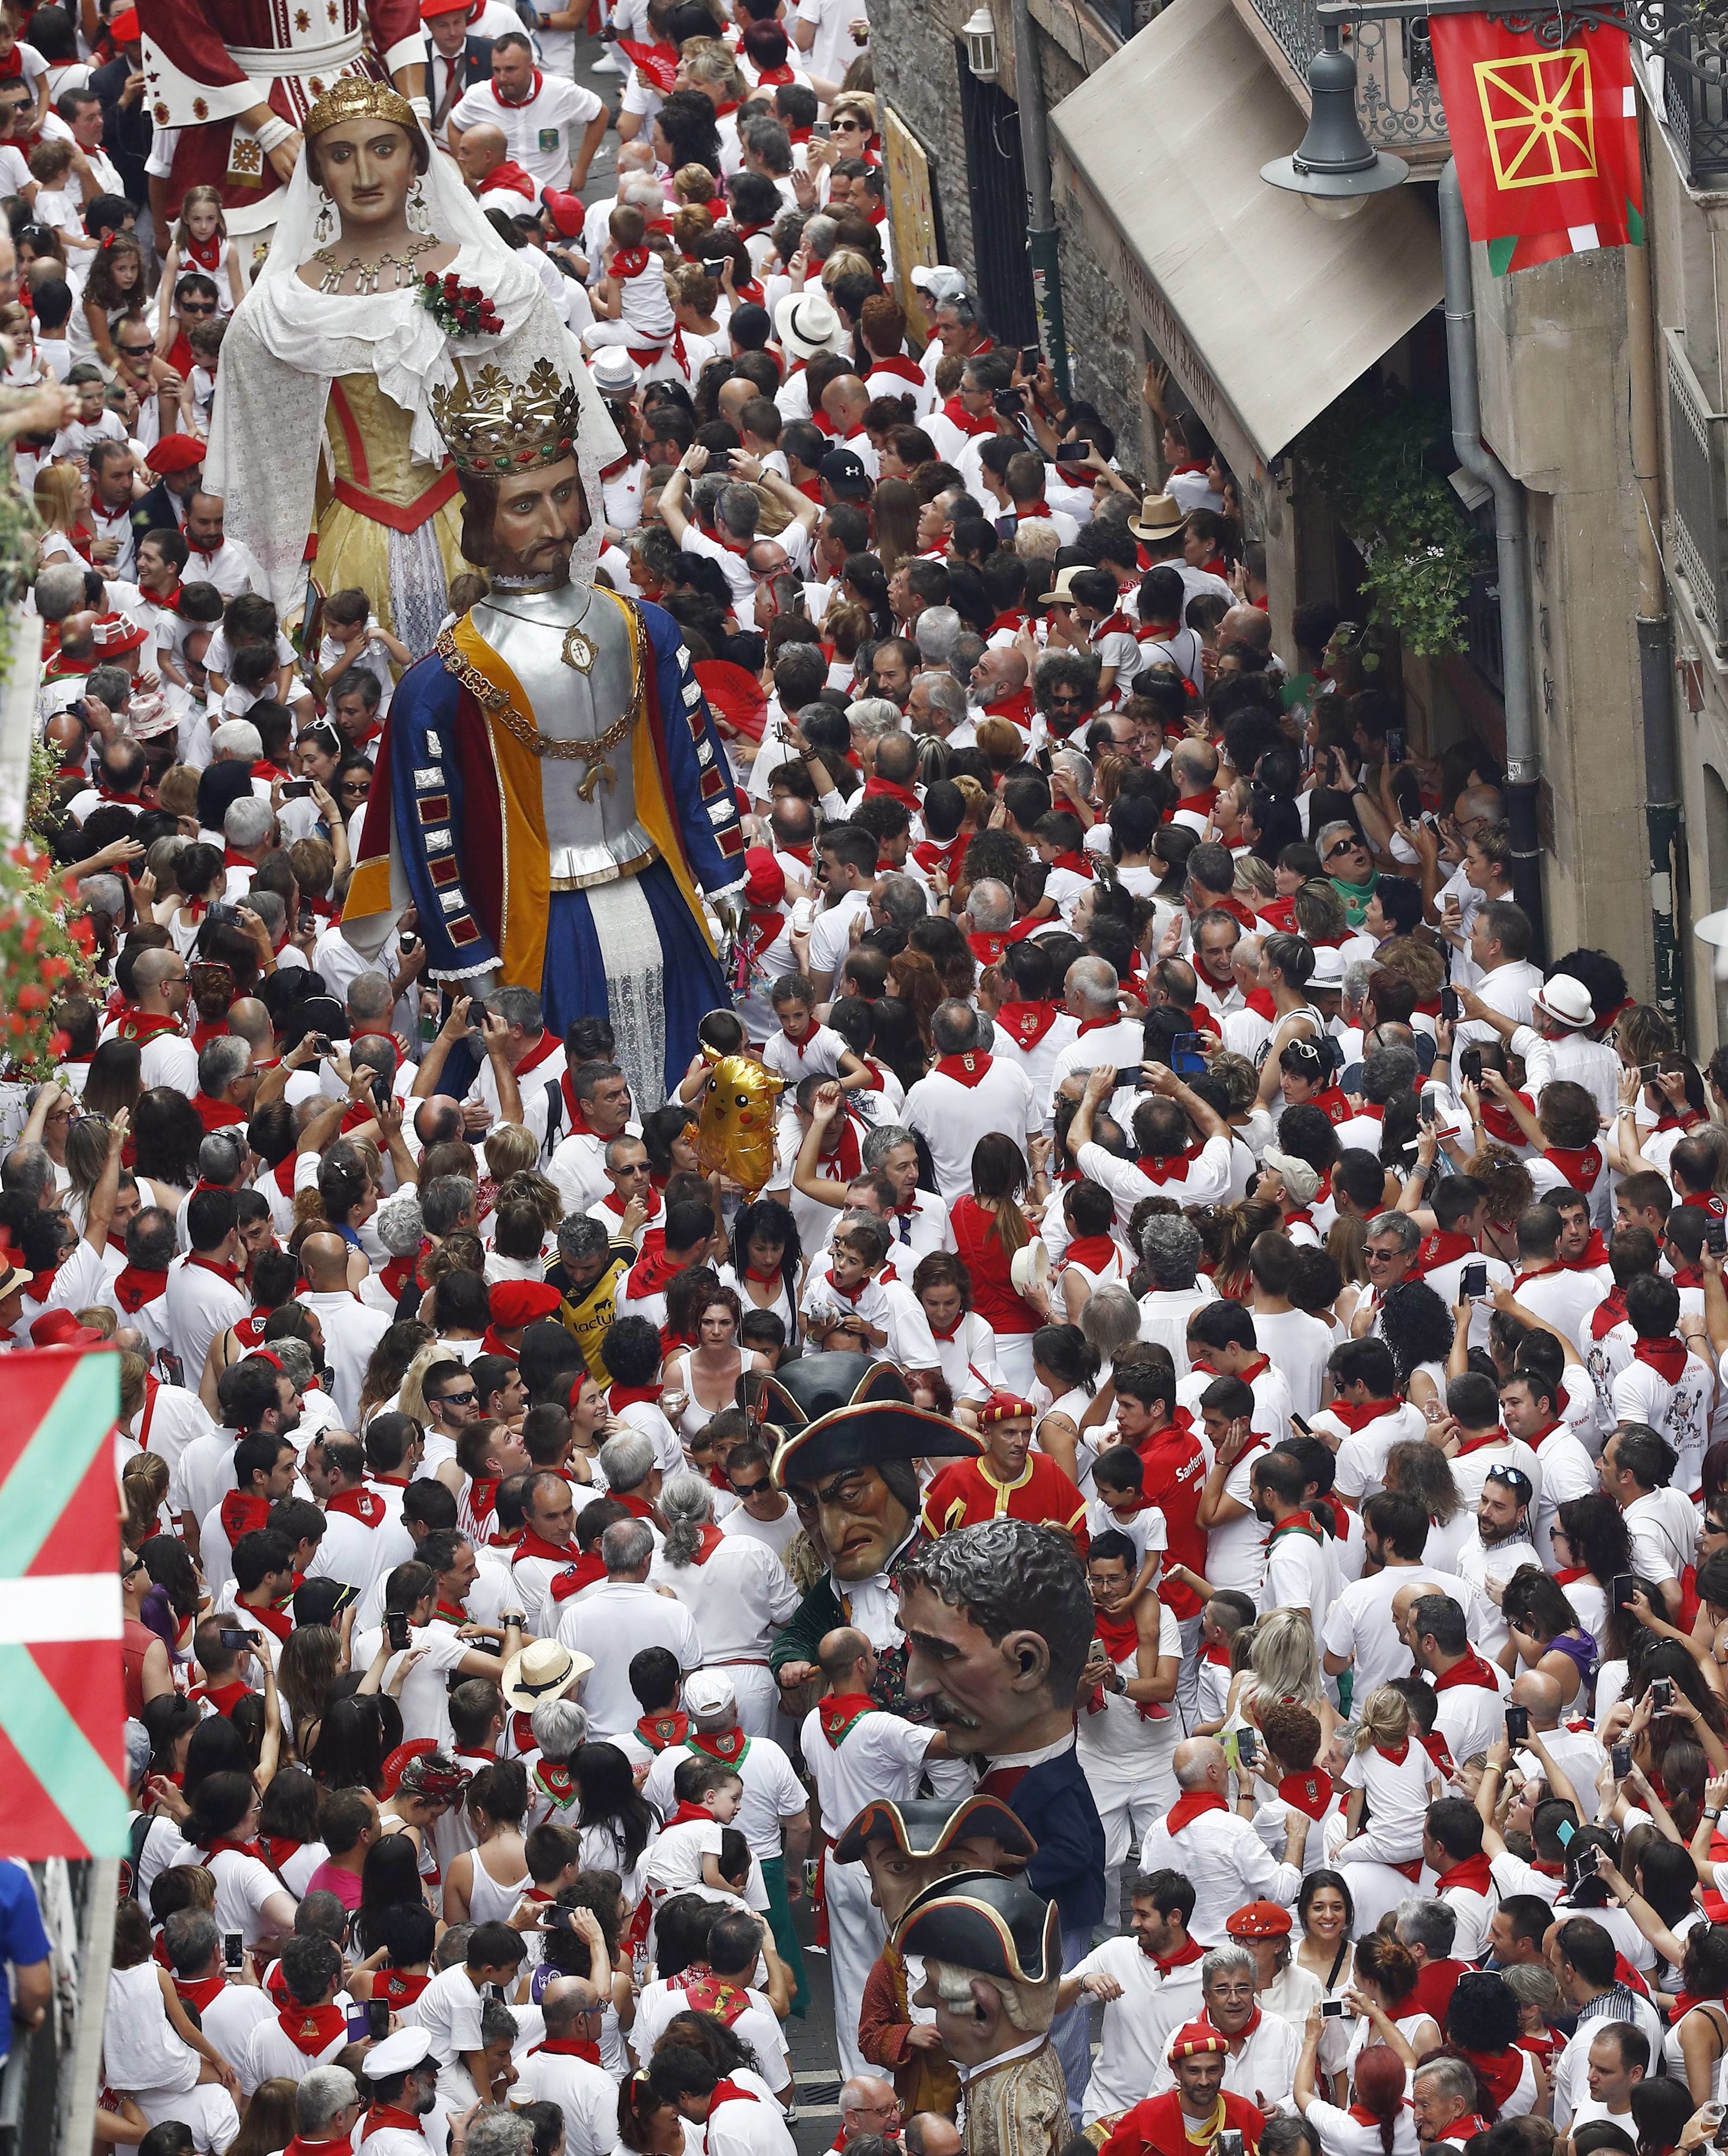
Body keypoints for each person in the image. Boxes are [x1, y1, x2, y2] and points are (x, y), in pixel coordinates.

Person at [338, 349, 748, 1108]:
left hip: (656, 891)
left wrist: (723, 875)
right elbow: (438, 845)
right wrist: (469, 958)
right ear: (482, 521)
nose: (556, 523)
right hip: (536, 925)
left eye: (565, 494)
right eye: (527, 504)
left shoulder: (647, 630)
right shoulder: (440, 683)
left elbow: (698, 768)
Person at [209, 80, 584, 648]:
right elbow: (276, 477)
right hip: (350, 549)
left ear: (416, 162)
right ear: (316, 174)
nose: (364, 175)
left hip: (484, 536)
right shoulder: (278, 311)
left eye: (384, 149)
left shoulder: (495, 280)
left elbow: (547, 441)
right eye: (341, 155)